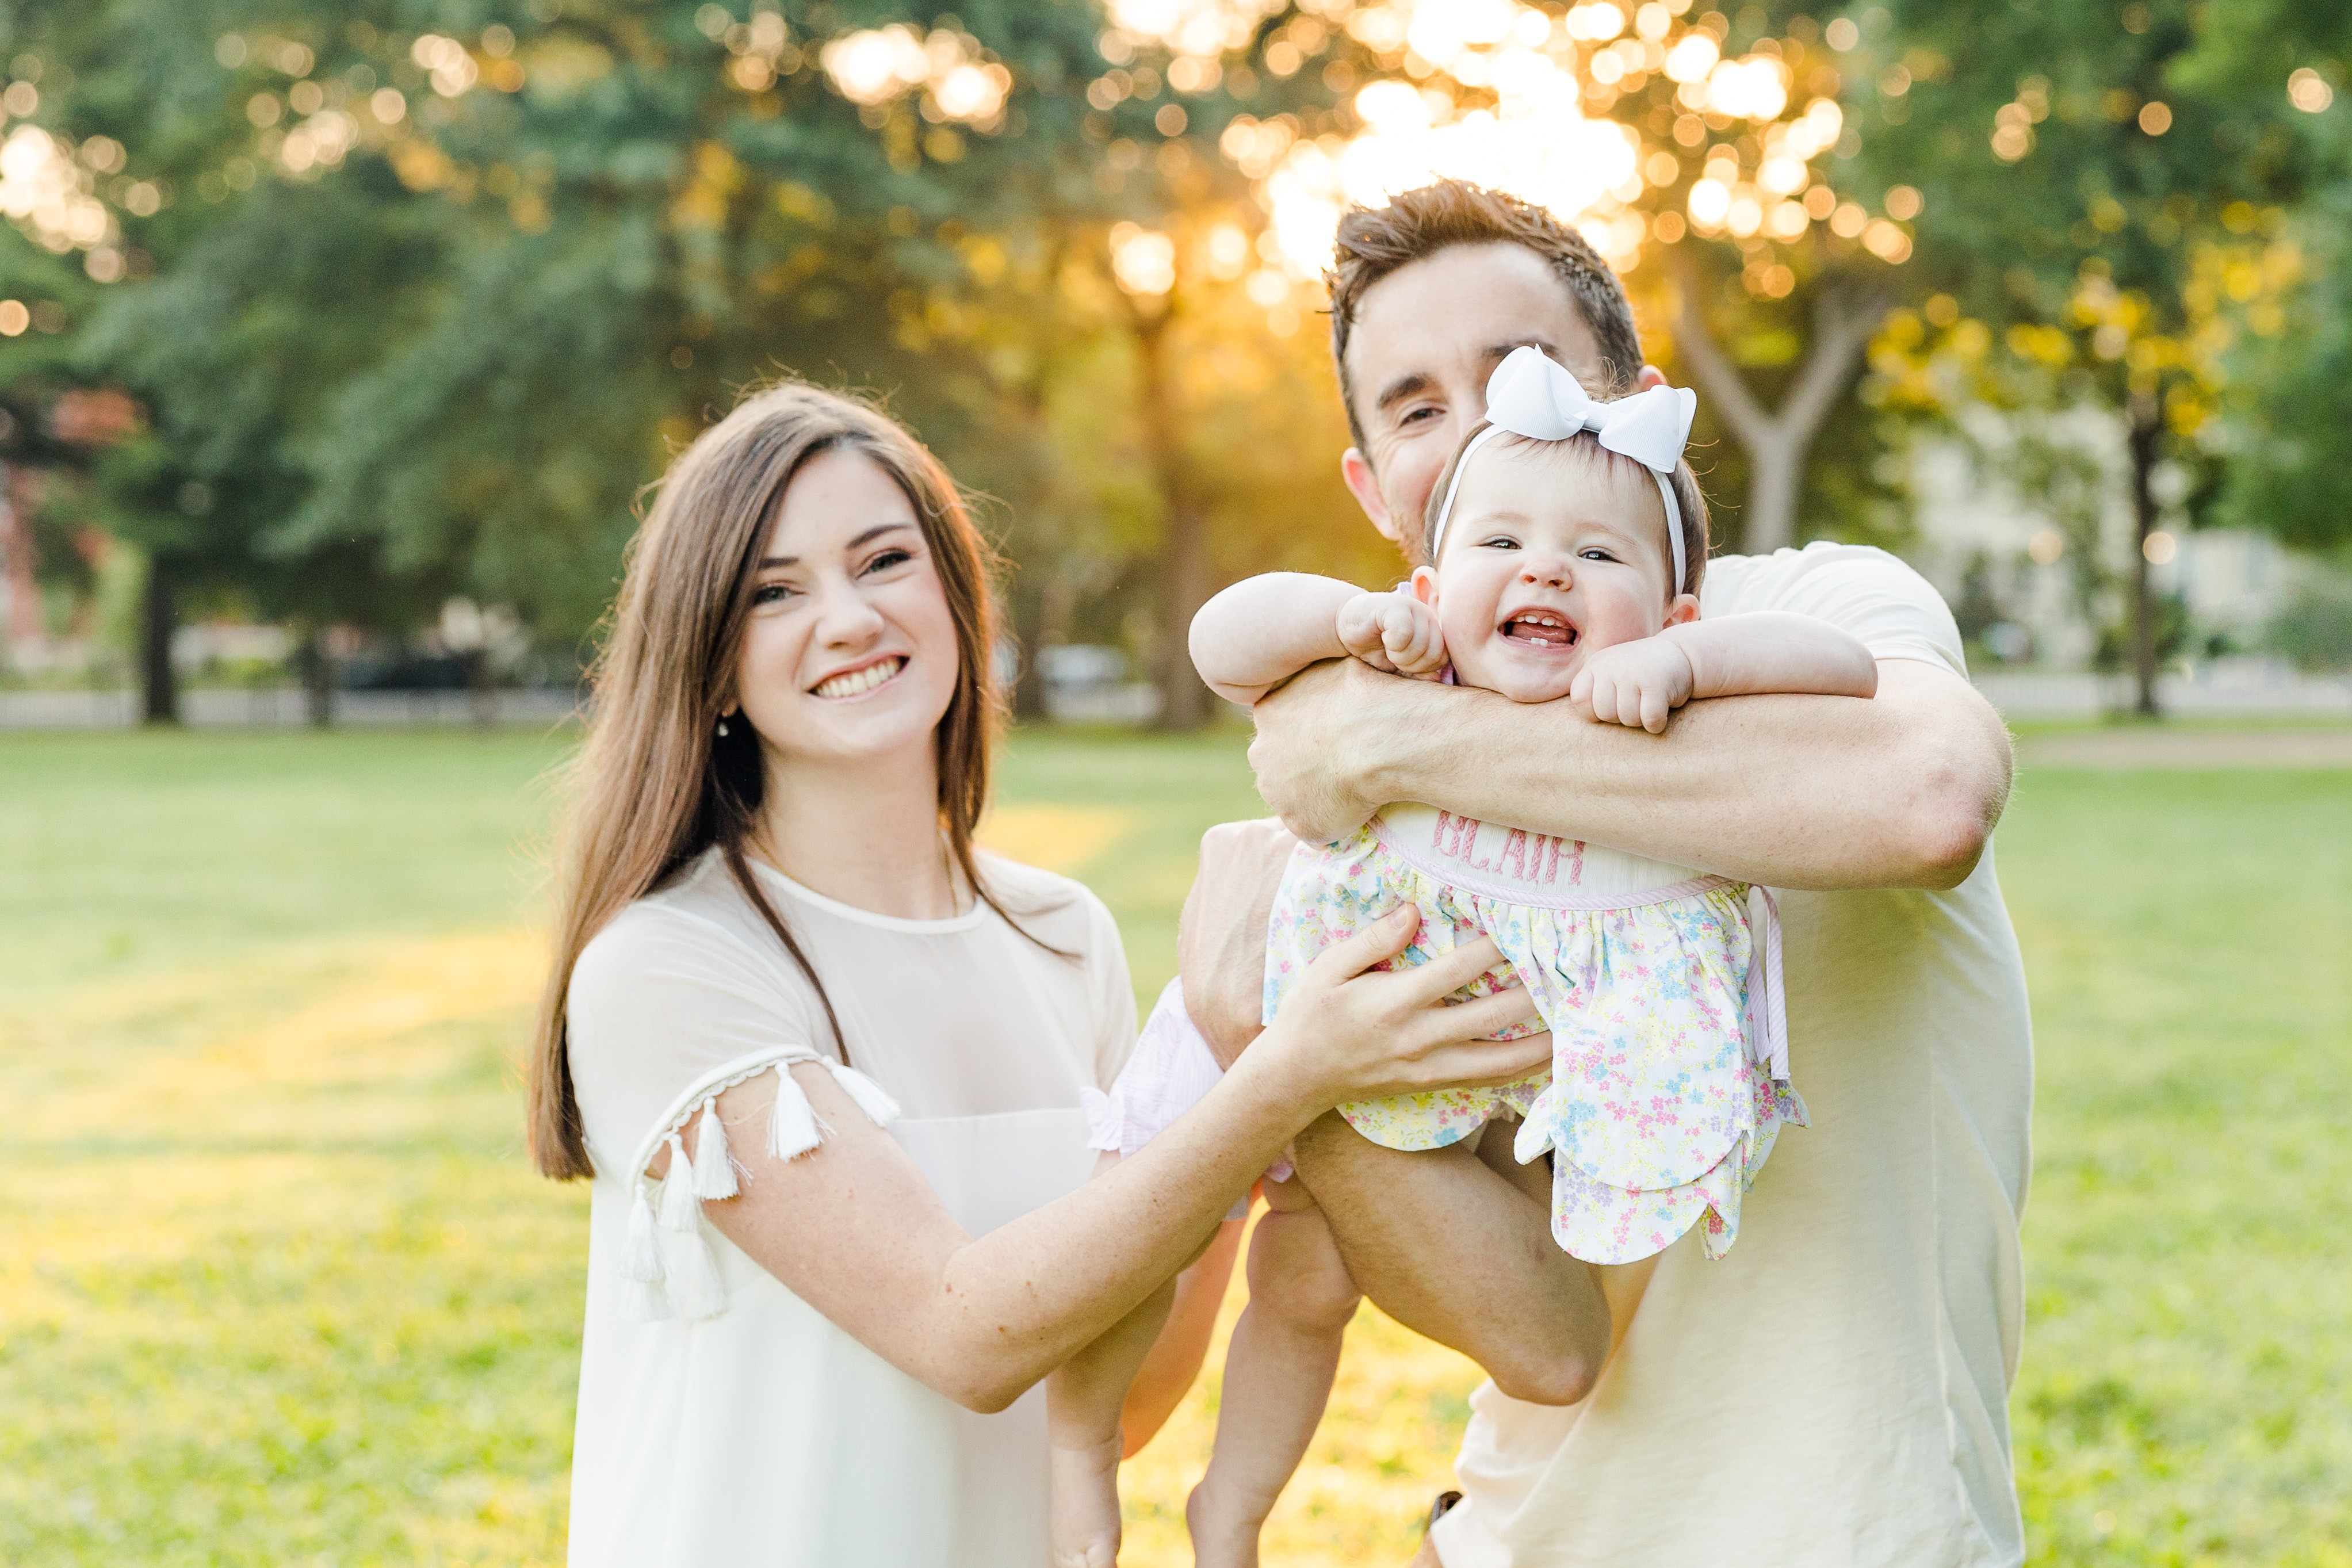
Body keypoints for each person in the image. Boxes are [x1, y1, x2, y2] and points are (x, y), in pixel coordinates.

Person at [525, 381, 1559, 1567]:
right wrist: (1276, 1076)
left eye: (882, 561)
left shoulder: (1060, 933)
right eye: (774, 591)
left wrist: (1237, 1074)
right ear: (709, 663)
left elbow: (1114, 1402)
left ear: (957, 595)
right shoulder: (668, 963)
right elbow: (960, 1333)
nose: (849, 617)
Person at [1176, 181, 2032, 1567]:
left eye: (1523, 377)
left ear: (1633, 404)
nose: (1478, 430)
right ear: (1377, 493)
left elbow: (1928, 797)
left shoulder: (1799, 609)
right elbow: (1535, 1332)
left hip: (1848, 1532)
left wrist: (1389, 732)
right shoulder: (1403, 806)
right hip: (1518, 1535)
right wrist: (1279, 1037)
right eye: (1412, 408)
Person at [1086, 343, 1881, 1565]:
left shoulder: (1651, 693)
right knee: (1297, 1277)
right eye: (1499, 542)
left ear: (1671, 607)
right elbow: (1219, 637)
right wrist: (1344, 618)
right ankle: (1228, 1513)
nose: (1545, 565)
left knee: (1509, 1263)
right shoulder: (1409, 662)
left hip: (1536, 1089)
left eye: (1600, 553)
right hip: (1373, 1021)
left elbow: (1844, 674)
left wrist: (1682, 663)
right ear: (1428, 581)